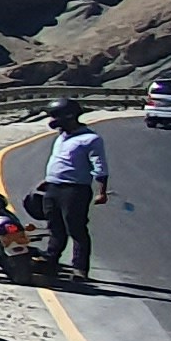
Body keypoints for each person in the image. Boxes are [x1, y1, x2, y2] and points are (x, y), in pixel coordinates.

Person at [35, 100, 109, 283]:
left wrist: (102, 191)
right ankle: (51, 261)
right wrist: (47, 180)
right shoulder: (62, 136)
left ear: (69, 116)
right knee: (54, 227)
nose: (52, 121)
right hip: (53, 187)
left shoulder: (90, 139)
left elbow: (100, 166)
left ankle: (80, 269)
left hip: (75, 189)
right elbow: (62, 161)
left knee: (76, 229)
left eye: (55, 116)